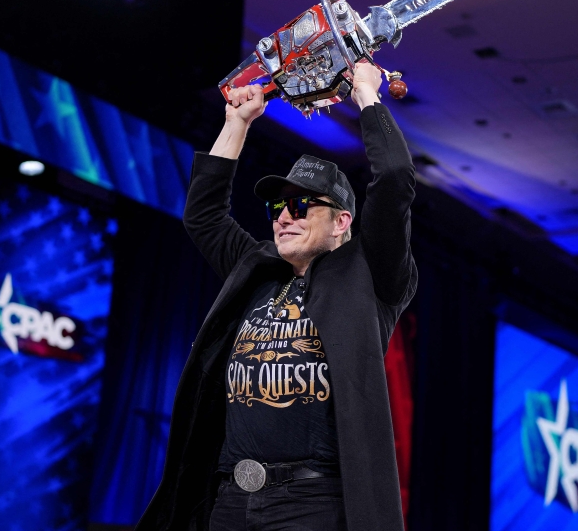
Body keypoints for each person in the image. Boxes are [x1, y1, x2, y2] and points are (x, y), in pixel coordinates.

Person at [137, 62, 417, 531]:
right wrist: (236, 122)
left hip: (311, 505)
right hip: (229, 499)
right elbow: (202, 216)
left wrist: (366, 93)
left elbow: (393, 177)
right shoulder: (257, 268)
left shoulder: (370, 276)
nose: (284, 217)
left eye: (302, 205)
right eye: (278, 206)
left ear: (343, 222)